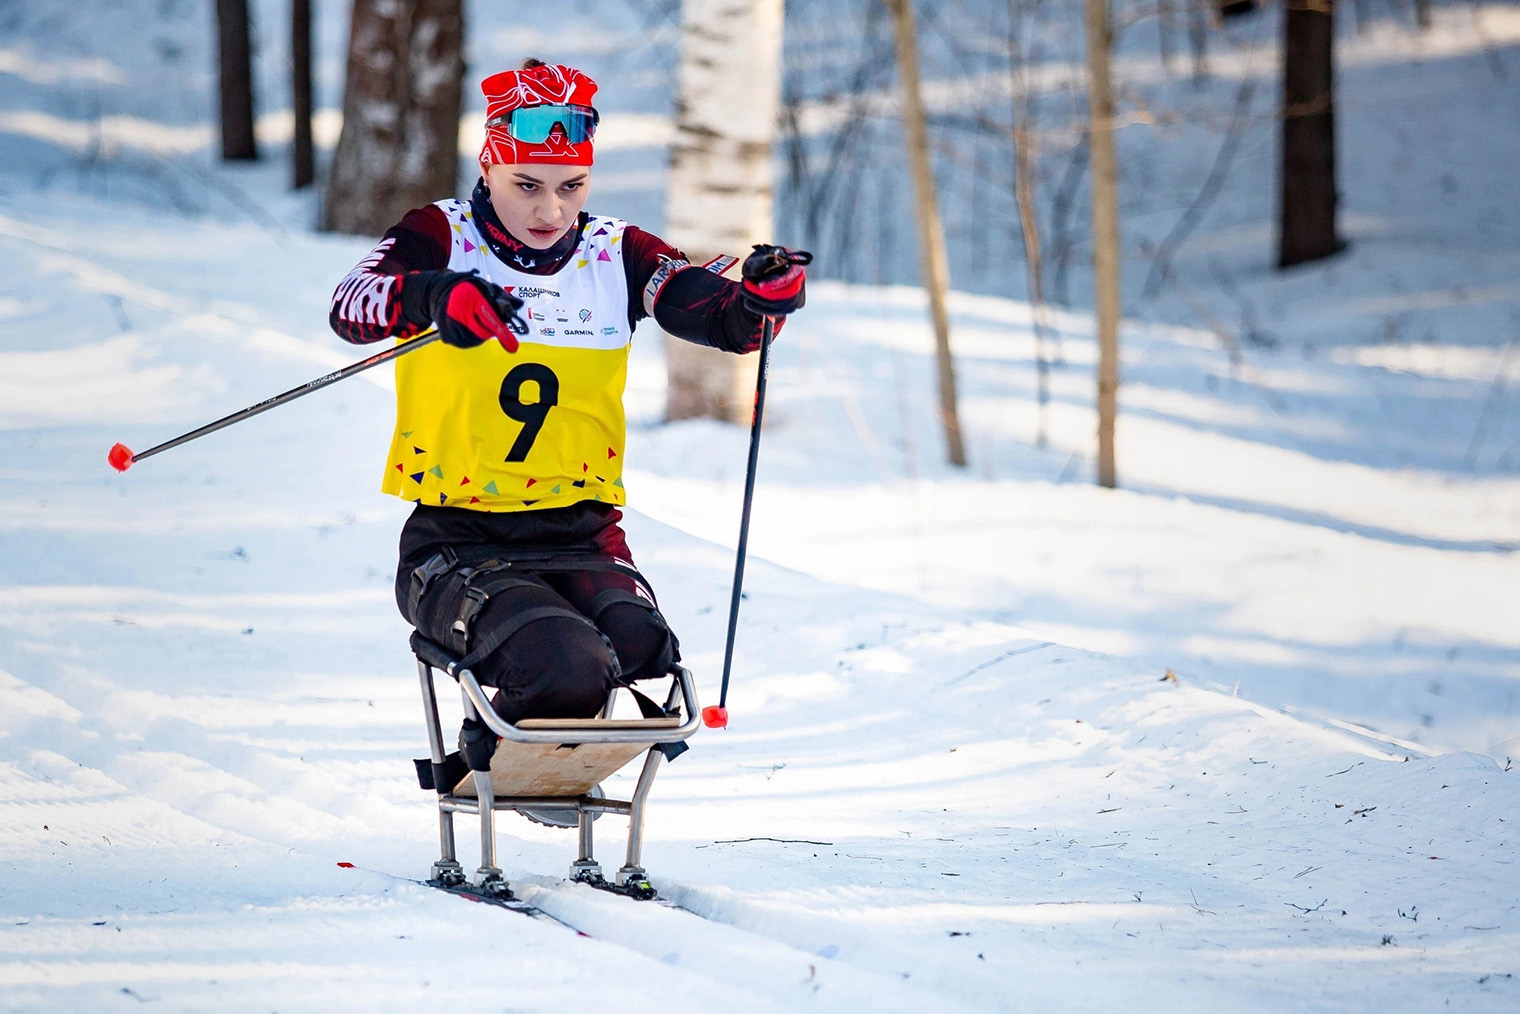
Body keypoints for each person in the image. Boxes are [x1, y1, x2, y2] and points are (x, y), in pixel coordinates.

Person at [328, 60, 808, 743]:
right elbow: (351, 304)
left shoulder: (616, 251)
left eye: (571, 186)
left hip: (582, 533)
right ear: (488, 166)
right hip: (458, 539)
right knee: (569, 667)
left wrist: (762, 299)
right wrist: (436, 295)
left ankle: (562, 763)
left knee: (643, 649)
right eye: (526, 185)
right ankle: (489, 765)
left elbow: (714, 313)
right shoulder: (443, 234)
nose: (550, 211)